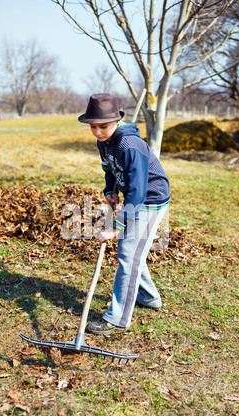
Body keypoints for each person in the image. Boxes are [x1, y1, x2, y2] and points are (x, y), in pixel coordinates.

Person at [78, 93, 170, 335]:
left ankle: (117, 318)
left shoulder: (129, 146)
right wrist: (110, 189)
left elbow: (138, 191)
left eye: (103, 126)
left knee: (128, 256)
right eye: (93, 127)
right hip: (134, 197)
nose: (98, 132)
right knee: (133, 251)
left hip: (149, 199)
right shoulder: (104, 142)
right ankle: (149, 297)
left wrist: (116, 227)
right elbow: (109, 168)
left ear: (117, 121)